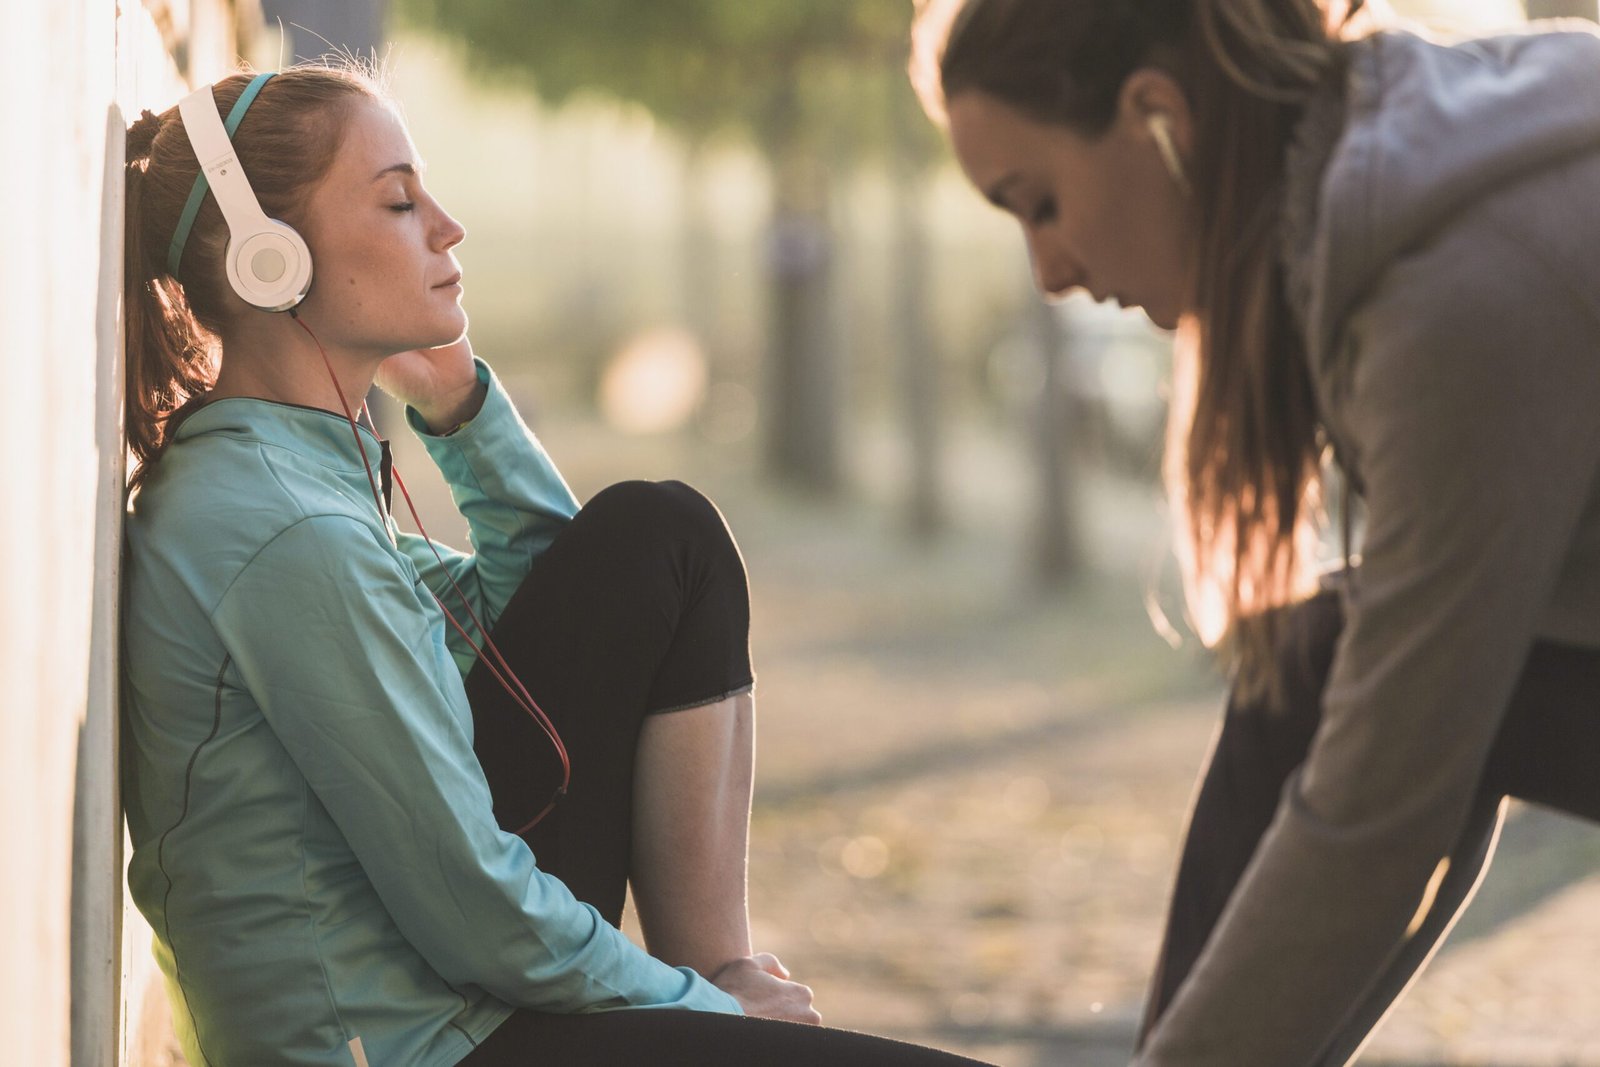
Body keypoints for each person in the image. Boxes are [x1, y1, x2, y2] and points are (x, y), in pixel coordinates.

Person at [122, 64, 992, 1067]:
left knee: (662, 536)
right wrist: (706, 1013)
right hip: (410, 1047)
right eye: (400, 201)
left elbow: (568, 616)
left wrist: (463, 414)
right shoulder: (282, 528)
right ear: (268, 260)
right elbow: (473, 903)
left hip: (456, 1014)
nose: (447, 228)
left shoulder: (290, 486)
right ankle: (720, 1002)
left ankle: (719, 980)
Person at [911, 0, 1600, 1063]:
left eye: (1039, 203)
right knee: (1322, 665)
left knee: (1335, 688)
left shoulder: (1454, 289)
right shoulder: (1400, 187)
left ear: (1158, 119)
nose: (1047, 272)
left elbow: (1382, 802)